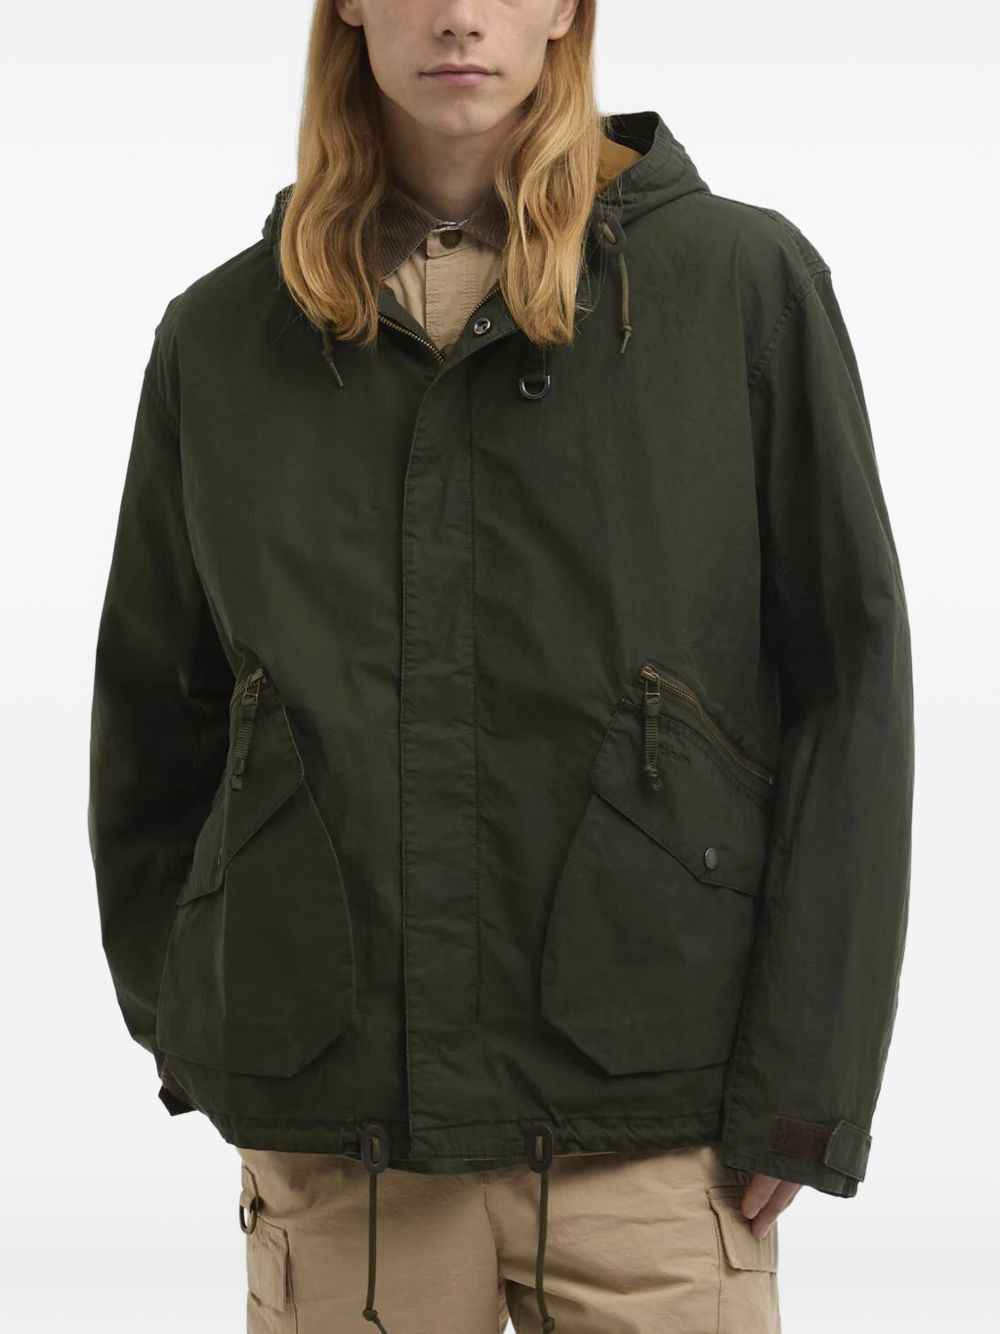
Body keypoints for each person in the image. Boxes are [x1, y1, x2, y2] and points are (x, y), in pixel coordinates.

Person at [87, 1, 915, 1331]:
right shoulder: (224, 335)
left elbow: (850, 686)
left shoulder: (738, 284)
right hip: (345, 1145)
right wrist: (201, 1025)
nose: (460, 15)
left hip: (659, 1129)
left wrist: (807, 1083)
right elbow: (157, 711)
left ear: (567, 9)